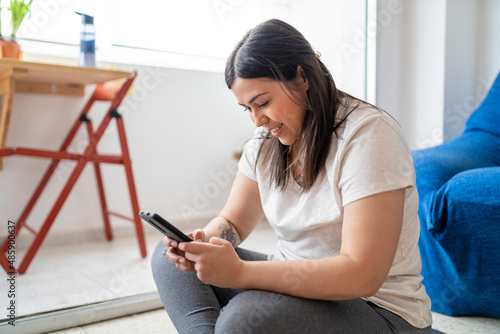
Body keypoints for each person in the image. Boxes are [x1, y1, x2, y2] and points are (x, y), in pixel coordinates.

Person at [151, 19, 432, 333]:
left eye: (263, 102)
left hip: (376, 309)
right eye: (247, 108)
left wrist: (240, 273)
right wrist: (200, 244)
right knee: (167, 258)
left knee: (245, 318)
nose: (258, 120)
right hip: (293, 288)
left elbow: (362, 274)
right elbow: (232, 222)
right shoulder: (265, 144)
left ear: (301, 77)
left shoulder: (368, 137)